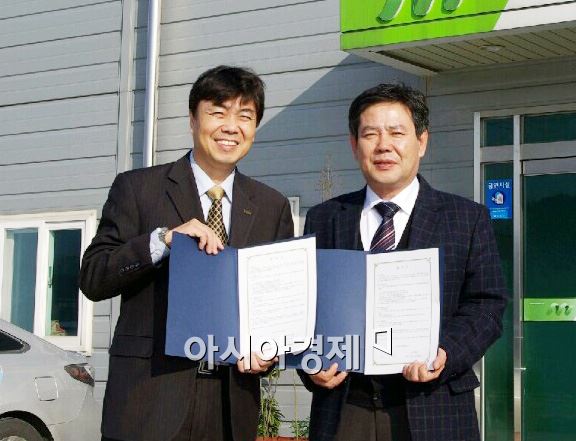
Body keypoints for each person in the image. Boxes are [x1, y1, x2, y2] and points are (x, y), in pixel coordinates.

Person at [80, 65, 294, 441]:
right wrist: (163, 240)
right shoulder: (138, 189)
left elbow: (278, 303)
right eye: (218, 112)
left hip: (231, 405)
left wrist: (270, 349)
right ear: (193, 119)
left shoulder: (271, 206)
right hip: (149, 401)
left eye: (245, 116)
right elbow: (94, 277)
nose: (231, 127)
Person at [302, 83, 507, 441]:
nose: (384, 145)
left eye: (397, 133)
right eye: (370, 134)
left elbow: (487, 305)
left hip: (434, 406)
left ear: (421, 142)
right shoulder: (325, 217)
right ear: (354, 145)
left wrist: (446, 353)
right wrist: (310, 363)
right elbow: (304, 306)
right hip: (345, 409)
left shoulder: (466, 218)